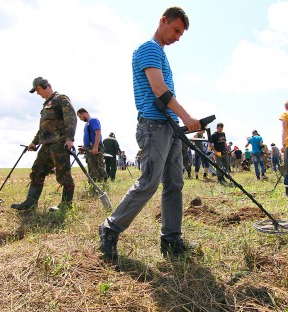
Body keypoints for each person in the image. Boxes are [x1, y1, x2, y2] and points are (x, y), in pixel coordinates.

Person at [98, 7, 200, 260]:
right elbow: (159, 90)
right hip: (154, 126)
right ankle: (109, 228)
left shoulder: (161, 54)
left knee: (174, 184)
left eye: (181, 34)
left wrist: (180, 122)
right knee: (149, 182)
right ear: (163, 21)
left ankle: (171, 239)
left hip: (170, 127)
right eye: (176, 30)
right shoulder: (149, 48)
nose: (178, 37)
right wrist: (187, 117)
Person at [11, 77, 77, 211]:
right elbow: (44, 127)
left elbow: (71, 118)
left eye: (38, 90)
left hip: (59, 143)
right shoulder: (47, 104)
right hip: (46, 145)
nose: (37, 93)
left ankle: (66, 205)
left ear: (46, 85)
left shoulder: (61, 99)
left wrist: (70, 139)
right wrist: (34, 142)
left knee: (63, 174)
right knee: (37, 171)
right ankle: (30, 203)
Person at [77, 108, 108, 183]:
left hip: (94, 146)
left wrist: (96, 147)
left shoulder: (93, 120)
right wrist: (84, 147)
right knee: (91, 167)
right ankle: (93, 184)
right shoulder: (87, 124)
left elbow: (98, 132)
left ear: (84, 113)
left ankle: (102, 184)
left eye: (80, 116)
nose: (80, 119)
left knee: (98, 166)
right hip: (89, 148)